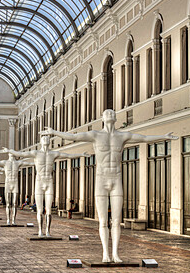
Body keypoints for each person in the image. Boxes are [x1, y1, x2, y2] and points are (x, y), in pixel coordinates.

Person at [43, 109, 178, 262]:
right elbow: (73, 137)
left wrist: (164, 137)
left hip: (116, 179)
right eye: (107, 113)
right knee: (102, 221)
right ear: (103, 118)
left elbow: (145, 138)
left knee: (116, 220)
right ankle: (105, 253)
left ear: (115, 118)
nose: (110, 114)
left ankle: (115, 253)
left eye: (112, 113)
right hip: (101, 179)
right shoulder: (95, 135)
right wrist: (54, 132)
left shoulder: (123, 136)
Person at [0, 135, 90, 237]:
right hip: (39, 182)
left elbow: (67, 155)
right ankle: (40, 231)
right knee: (40, 210)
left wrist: (81, 154)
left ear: (49, 141)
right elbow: (21, 154)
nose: (46, 139)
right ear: (41, 141)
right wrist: (9, 151)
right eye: (44, 138)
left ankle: (47, 231)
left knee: (49, 210)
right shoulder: (36, 153)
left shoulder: (53, 153)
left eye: (47, 138)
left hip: (49, 181)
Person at [0, 154, 29, 225]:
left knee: (12, 203)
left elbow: (27, 163)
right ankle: (2, 218)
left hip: (11, 184)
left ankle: (12, 220)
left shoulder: (0, 168)